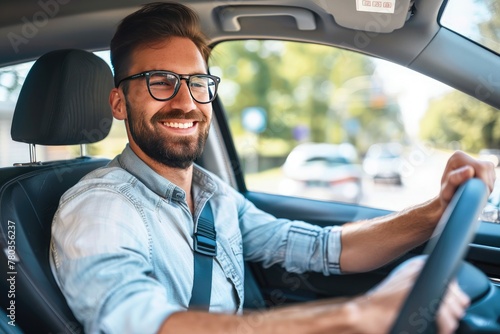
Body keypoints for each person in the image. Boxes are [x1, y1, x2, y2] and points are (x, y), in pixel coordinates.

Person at [49, 2, 496, 333]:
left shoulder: (214, 196)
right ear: (119, 103)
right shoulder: (100, 208)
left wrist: (434, 212)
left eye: (198, 83)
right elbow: (141, 324)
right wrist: (356, 314)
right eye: (159, 82)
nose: (186, 101)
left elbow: (321, 248)